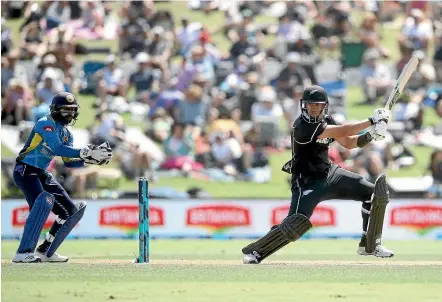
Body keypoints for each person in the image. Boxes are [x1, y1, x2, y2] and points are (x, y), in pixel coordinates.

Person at [242, 85, 394, 264]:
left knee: (375, 195)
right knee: (295, 224)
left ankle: (370, 245)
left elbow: (349, 143)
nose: (313, 108)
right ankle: (256, 252)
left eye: (318, 105)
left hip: (330, 175)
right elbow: (342, 131)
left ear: (324, 105)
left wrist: (371, 135)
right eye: (310, 104)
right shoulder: (301, 126)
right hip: (306, 182)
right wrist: (371, 121)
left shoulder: (328, 120)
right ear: (303, 105)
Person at [12, 92, 113, 263]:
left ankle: (45, 251)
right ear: (55, 110)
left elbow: (69, 163)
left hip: (41, 172)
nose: (70, 114)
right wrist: (85, 151)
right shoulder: (45, 124)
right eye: (66, 110)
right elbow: (57, 149)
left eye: (73, 110)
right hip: (25, 170)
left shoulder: (67, 134)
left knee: (69, 211)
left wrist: (90, 160)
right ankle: (23, 253)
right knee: (43, 203)